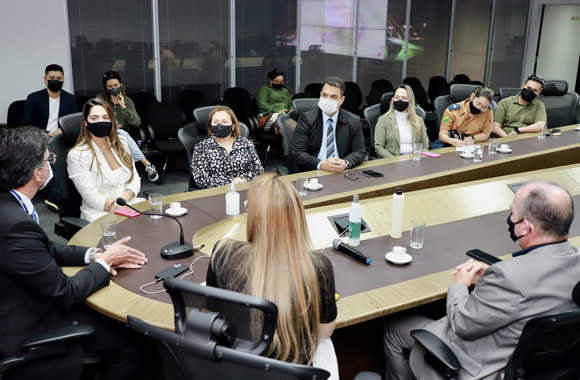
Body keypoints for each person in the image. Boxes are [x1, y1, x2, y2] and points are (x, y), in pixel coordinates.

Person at [383, 180, 580, 380]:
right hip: (536, 368)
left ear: (526, 228)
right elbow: (531, 285)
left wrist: (460, 284)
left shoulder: (508, 277)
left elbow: (462, 324)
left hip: (479, 368)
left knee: (395, 328)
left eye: (512, 213)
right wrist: (495, 275)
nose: (510, 219)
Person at [0, 126, 148, 380]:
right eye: (49, 159)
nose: (51, 164)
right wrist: (105, 263)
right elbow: (64, 293)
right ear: (37, 173)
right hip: (27, 328)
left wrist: (94, 254)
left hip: (21, 300)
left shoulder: (9, 203)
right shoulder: (14, 223)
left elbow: (45, 247)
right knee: (135, 343)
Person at [206, 173, 338, 376]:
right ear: (298, 216)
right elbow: (324, 332)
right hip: (295, 370)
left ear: (253, 215)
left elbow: (214, 313)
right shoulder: (319, 266)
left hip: (239, 368)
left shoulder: (222, 253)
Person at [67, 98, 143, 222]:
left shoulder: (121, 143)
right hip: (100, 213)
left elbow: (135, 179)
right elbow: (90, 196)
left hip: (129, 204)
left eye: (105, 117)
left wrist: (124, 199)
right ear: (86, 122)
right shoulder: (78, 155)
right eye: (94, 118)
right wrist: (116, 207)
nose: (100, 121)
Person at [292, 77, 366, 173]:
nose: (328, 100)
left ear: (342, 100)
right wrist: (322, 164)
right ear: (320, 95)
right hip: (314, 170)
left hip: (341, 172)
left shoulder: (353, 120)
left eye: (333, 97)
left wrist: (345, 162)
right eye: (324, 95)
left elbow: (359, 151)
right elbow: (298, 152)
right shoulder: (307, 118)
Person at [96, 70, 159, 183]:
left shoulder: (127, 101)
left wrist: (123, 107)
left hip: (122, 137)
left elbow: (137, 123)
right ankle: (147, 164)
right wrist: (109, 125)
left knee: (121, 134)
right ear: (106, 87)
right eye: (110, 86)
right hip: (103, 134)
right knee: (120, 133)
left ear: (121, 84)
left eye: (116, 85)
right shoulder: (100, 100)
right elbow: (94, 119)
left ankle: (132, 177)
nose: (113, 88)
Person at [191, 106, 263, 189]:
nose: (220, 125)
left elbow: (258, 170)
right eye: (215, 122)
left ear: (233, 126)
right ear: (210, 126)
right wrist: (229, 184)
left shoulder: (245, 143)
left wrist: (244, 180)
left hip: (245, 188)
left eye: (224, 122)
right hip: (217, 192)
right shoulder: (202, 147)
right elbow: (200, 178)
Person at [22, 64, 77, 137]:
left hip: (62, 139)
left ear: (63, 79)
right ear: (45, 79)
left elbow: (73, 123)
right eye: (52, 78)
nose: (55, 80)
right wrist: (49, 134)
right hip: (39, 138)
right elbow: (27, 125)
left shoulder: (70, 99)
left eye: (59, 78)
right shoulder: (34, 98)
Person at [374, 84, 429, 158]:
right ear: (393, 99)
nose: (399, 100)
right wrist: (395, 160)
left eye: (403, 98)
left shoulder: (419, 120)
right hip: (391, 161)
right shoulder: (383, 120)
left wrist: (418, 157)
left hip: (413, 160)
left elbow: (425, 146)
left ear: (410, 100)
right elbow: (379, 148)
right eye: (397, 97)